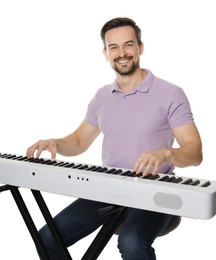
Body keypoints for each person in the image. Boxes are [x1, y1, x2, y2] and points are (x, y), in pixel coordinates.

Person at [26, 17, 202, 260]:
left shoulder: (170, 93)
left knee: (131, 242)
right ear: (106, 54)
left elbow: (194, 152)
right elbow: (79, 141)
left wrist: (167, 153)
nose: (122, 53)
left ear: (140, 47)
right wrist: (55, 143)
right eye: (114, 47)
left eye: (128, 45)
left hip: (155, 192)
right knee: (46, 239)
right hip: (108, 189)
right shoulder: (102, 96)